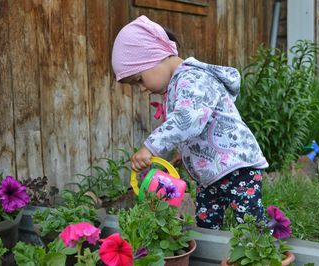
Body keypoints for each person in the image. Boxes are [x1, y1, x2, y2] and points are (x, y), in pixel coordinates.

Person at [111, 15, 269, 230]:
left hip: (237, 167)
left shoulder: (192, 79)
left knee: (251, 225)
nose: (142, 89)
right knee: (206, 226)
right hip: (211, 175)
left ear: (156, 56)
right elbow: (198, 127)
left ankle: (265, 257)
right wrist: (185, 154)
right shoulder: (179, 83)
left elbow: (187, 120)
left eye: (139, 79)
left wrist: (150, 147)